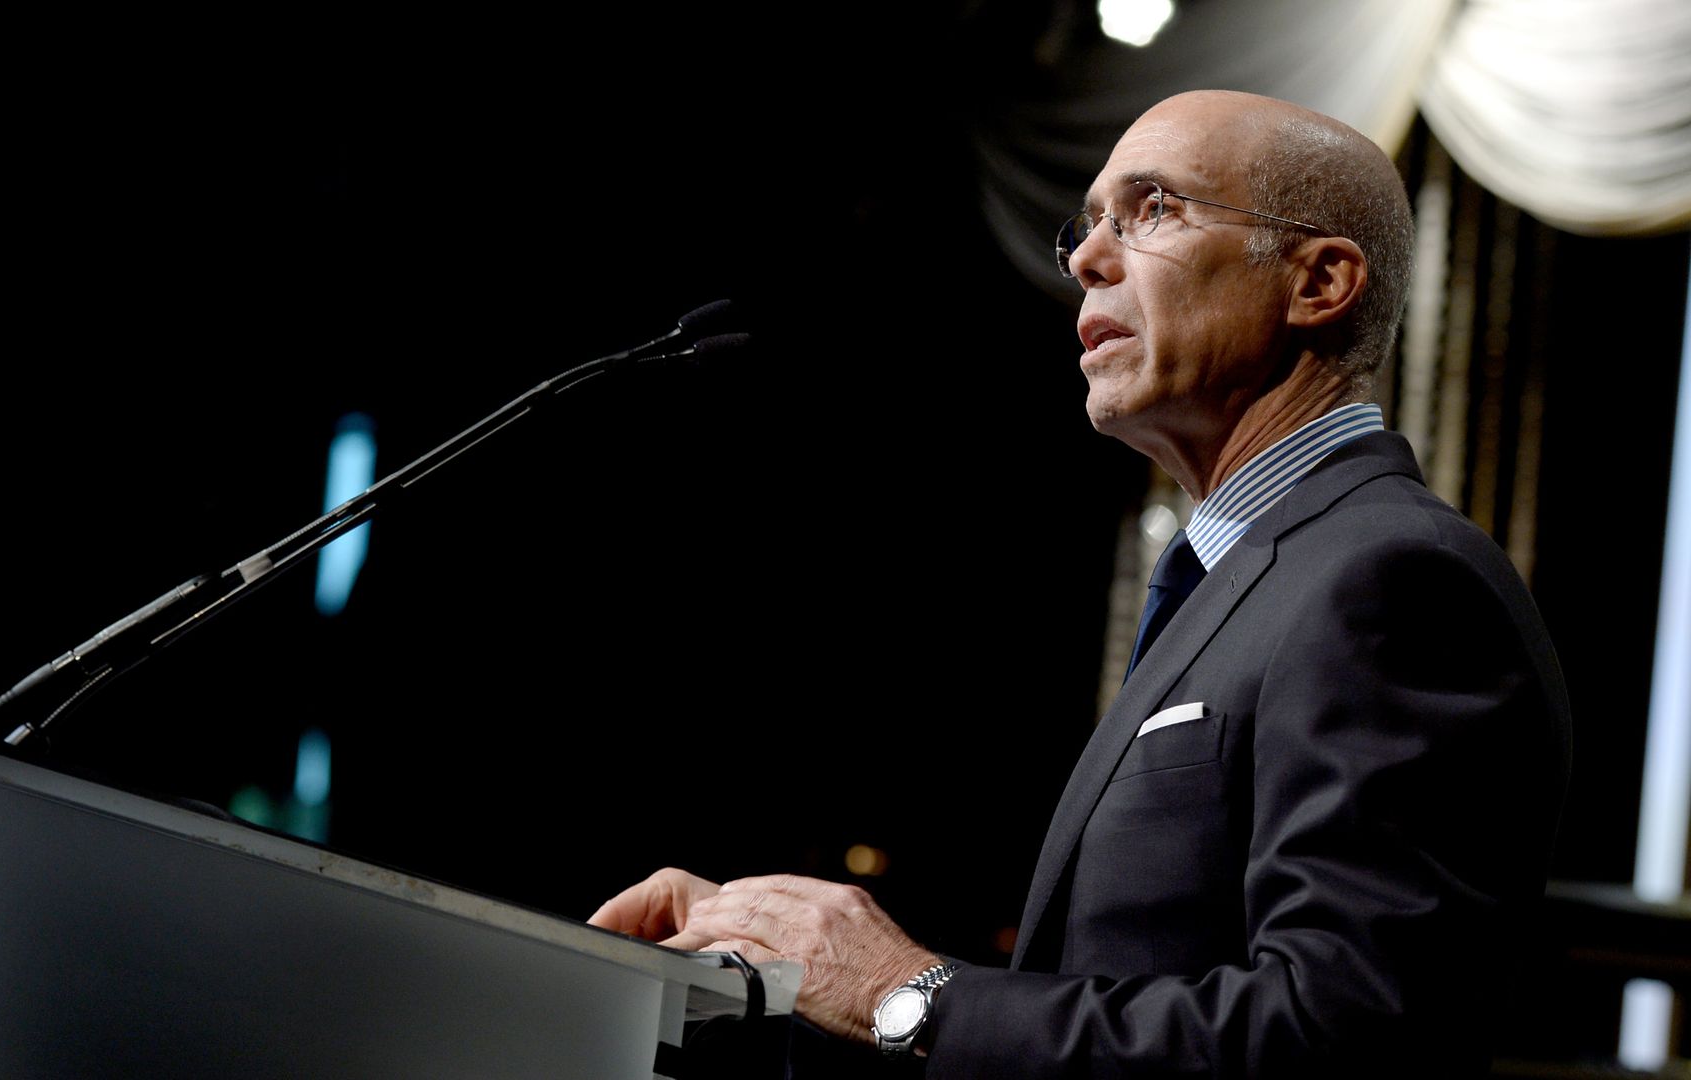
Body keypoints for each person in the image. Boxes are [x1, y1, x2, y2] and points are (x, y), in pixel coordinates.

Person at [590, 90, 1571, 1077]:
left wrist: (905, 993)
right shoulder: (1238, 575)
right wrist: (776, 962)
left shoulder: (1396, 579)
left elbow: (1340, 1038)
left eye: (1153, 210)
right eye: (1088, 222)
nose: (1087, 259)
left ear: (1317, 282)